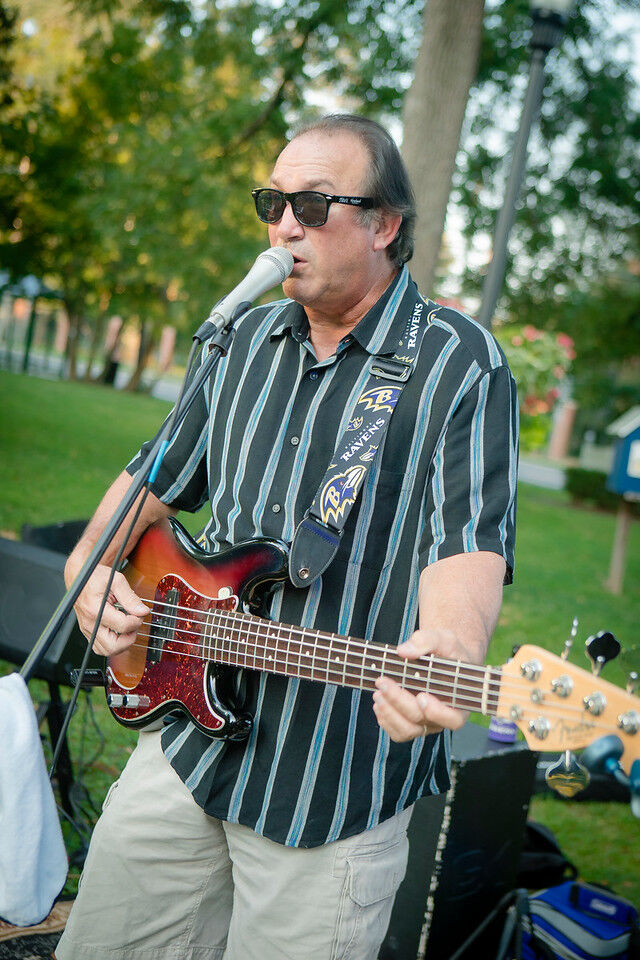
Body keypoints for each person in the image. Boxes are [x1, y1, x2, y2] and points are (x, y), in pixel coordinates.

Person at [56, 114, 518, 960]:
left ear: (385, 225)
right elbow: (144, 491)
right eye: (273, 202)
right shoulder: (241, 343)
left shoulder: (459, 361)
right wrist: (88, 573)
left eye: (313, 203)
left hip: (331, 787)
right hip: (184, 745)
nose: (284, 226)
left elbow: (469, 543)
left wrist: (451, 645)